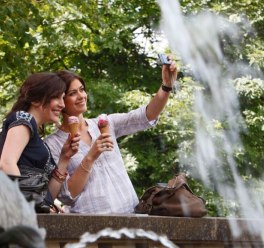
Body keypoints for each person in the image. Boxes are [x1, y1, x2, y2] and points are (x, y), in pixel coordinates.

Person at [45, 57, 178, 214]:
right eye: (73, 93)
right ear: (61, 100)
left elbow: (146, 115)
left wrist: (166, 86)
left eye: (82, 89)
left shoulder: (105, 123)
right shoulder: (52, 144)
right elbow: (68, 195)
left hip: (131, 218)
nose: (81, 96)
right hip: (90, 226)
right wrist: (90, 156)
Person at [0, 73, 80, 213]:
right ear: (36, 100)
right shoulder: (24, 118)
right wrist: (29, 206)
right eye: (57, 97)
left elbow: (48, 196)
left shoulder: (38, 139)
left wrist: (65, 158)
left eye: (63, 98)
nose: (62, 105)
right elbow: (7, 164)